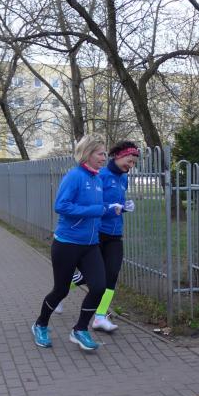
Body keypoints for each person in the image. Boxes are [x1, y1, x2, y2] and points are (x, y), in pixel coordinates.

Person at [31, 134, 114, 352]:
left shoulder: (97, 179)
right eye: (100, 154)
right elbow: (61, 206)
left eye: (105, 154)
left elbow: (96, 209)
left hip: (90, 245)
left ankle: (80, 329)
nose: (104, 158)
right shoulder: (74, 176)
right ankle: (40, 324)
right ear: (88, 154)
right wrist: (96, 210)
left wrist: (112, 208)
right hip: (67, 243)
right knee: (61, 291)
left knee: (99, 287)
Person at [60, 141, 138, 331]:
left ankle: (100, 317)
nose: (131, 165)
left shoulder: (123, 178)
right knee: (90, 277)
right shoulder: (100, 175)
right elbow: (92, 205)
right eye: (129, 160)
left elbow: (116, 205)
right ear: (118, 156)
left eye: (134, 163)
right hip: (97, 232)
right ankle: (60, 293)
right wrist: (109, 209)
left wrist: (124, 207)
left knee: (112, 275)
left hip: (115, 234)